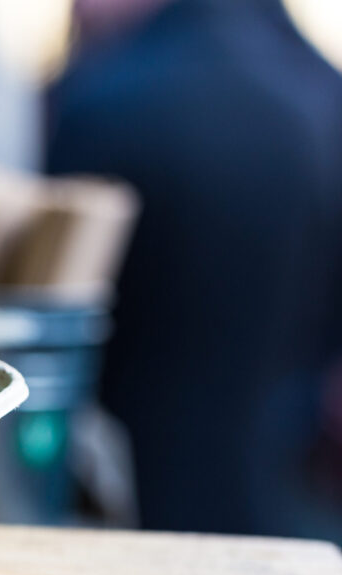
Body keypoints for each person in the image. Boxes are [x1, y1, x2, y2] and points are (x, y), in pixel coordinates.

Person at [47, 0, 342, 540]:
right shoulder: (326, 93)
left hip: (137, 511)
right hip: (295, 515)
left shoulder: (101, 97)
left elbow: (62, 323)